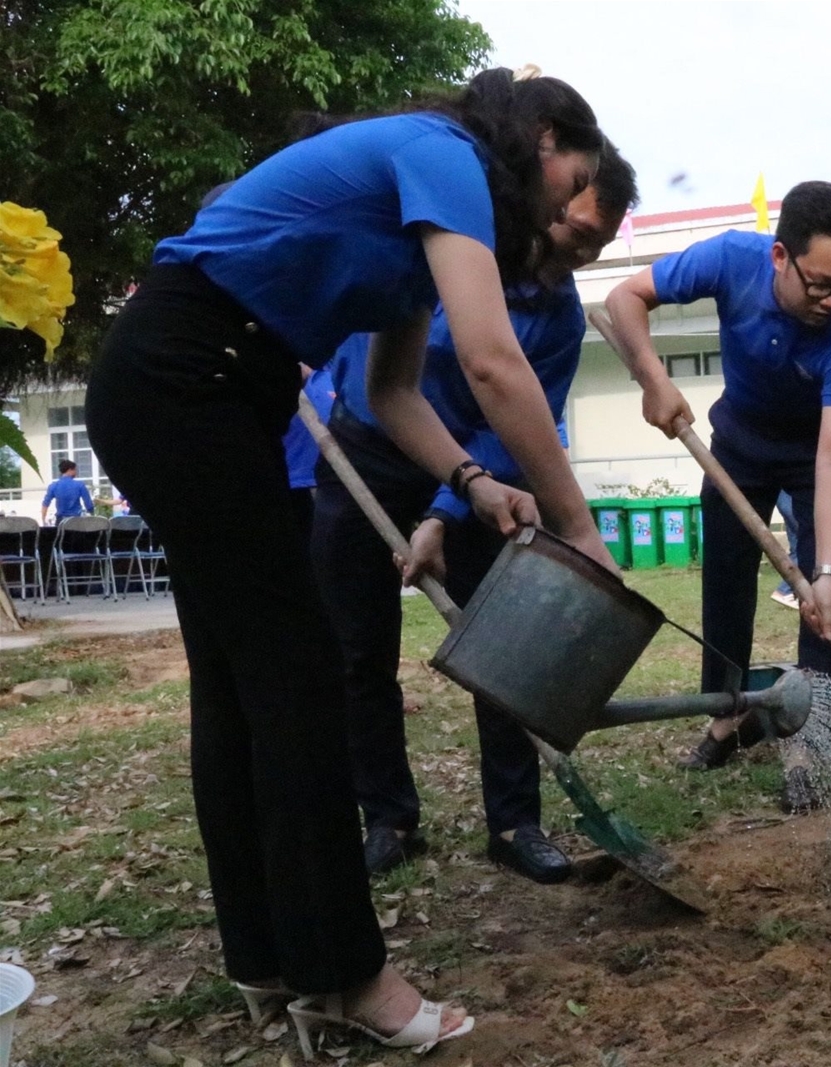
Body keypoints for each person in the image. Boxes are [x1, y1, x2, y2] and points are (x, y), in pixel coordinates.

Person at [84, 67, 615, 1052]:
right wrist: (580, 528)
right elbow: (494, 362)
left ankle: (266, 955)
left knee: (242, 686)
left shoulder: (417, 225)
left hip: (198, 383)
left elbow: (394, 391)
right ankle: (345, 974)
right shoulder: (443, 151)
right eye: (578, 177)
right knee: (296, 679)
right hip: (186, 372)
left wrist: (472, 480)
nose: (567, 209)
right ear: (543, 138)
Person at [311, 146, 636, 883]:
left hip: (482, 480)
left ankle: (516, 821)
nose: (580, 255)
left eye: (598, 245)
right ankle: (387, 814)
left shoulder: (556, 320)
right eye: (577, 232)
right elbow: (381, 378)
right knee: (357, 651)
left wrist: (443, 510)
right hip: (369, 450)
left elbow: (513, 423)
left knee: (507, 650)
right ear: (542, 203)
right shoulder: (448, 255)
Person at [603, 180, 831, 813]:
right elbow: (625, 298)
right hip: (740, 445)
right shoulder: (730, 259)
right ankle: (725, 719)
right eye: (821, 285)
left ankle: (814, 742)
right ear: (781, 257)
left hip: (816, 455)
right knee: (724, 578)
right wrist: (653, 381)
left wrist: (828, 571)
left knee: (823, 596)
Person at [769, 489, 801, 610]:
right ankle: (784, 590)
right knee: (804, 547)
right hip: (791, 503)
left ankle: (790, 593)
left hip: (786, 500)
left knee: (796, 548)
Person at [41, 460, 94, 524]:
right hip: (76, 521)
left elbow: (45, 504)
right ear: (69, 470)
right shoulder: (80, 485)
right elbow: (88, 504)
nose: (76, 472)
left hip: (61, 521)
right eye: (74, 470)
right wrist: (91, 514)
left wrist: (43, 520)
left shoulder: (53, 486)